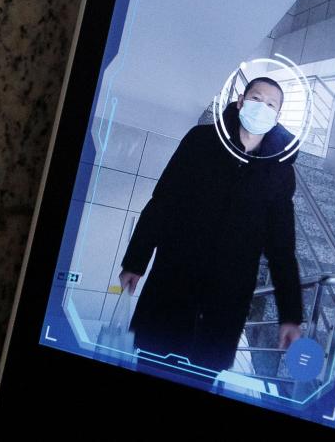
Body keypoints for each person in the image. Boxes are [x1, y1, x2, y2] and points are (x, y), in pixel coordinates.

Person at [117, 76, 304, 373]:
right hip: (173, 283)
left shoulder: (280, 173)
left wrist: (290, 315)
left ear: (277, 117)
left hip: (224, 303)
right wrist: (136, 261)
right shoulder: (201, 141)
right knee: (151, 365)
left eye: (271, 105)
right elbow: (163, 201)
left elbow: (282, 247)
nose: (262, 108)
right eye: (256, 99)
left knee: (202, 377)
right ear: (241, 101)